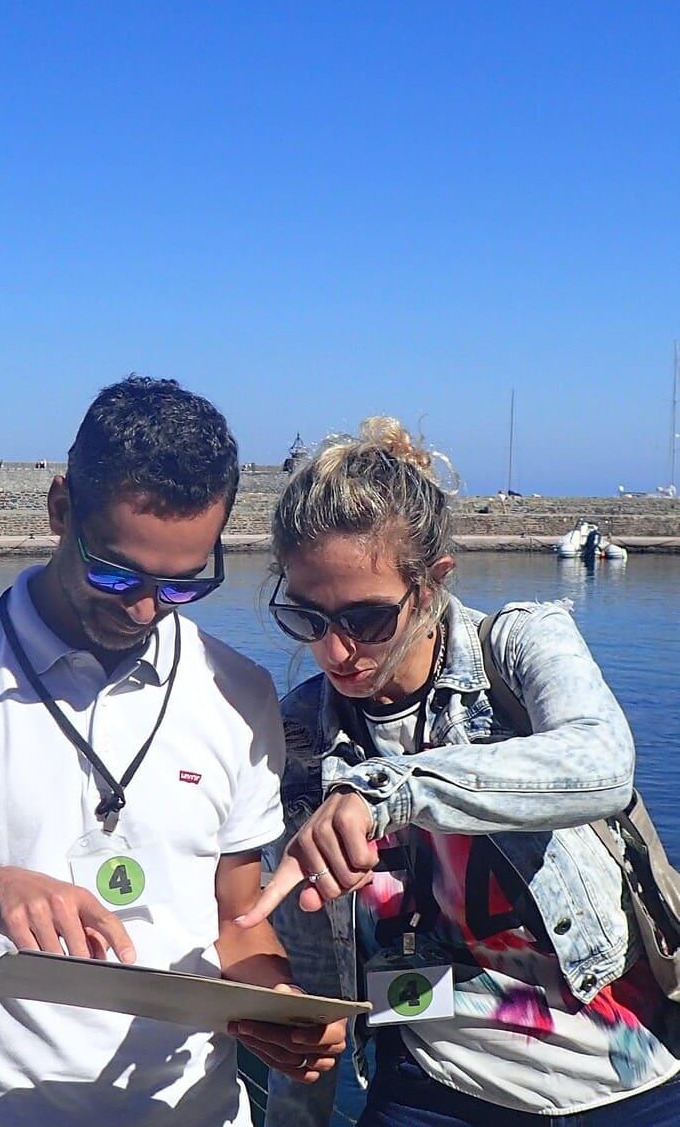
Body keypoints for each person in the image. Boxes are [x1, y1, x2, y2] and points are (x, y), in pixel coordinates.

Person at [0, 376, 345, 1127]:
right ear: (60, 509)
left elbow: (236, 919)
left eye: (182, 585)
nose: (145, 608)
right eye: (115, 572)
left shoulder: (238, 690)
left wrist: (276, 1003)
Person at [237, 418, 680, 1127]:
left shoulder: (519, 644)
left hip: (626, 1081)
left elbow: (600, 764)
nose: (335, 650)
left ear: (432, 583)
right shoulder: (302, 737)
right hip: (428, 1089)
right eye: (306, 618)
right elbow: (315, 971)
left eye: (367, 618)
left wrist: (388, 793)